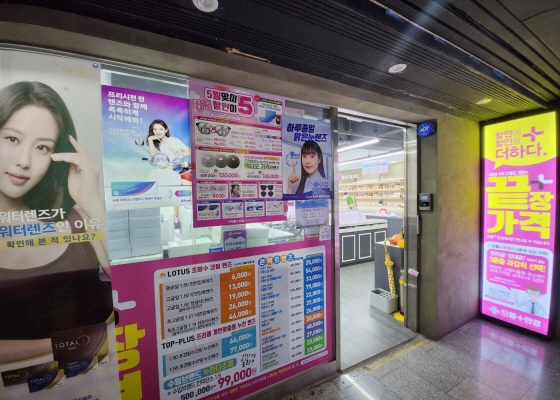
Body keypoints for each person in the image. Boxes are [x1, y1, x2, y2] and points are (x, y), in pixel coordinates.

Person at [0, 81, 112, 365]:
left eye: (42, 147)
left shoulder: (78, 220)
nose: (24, 161)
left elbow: (131, 286)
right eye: (12, 139)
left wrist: (90, 202)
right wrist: (80, 342)